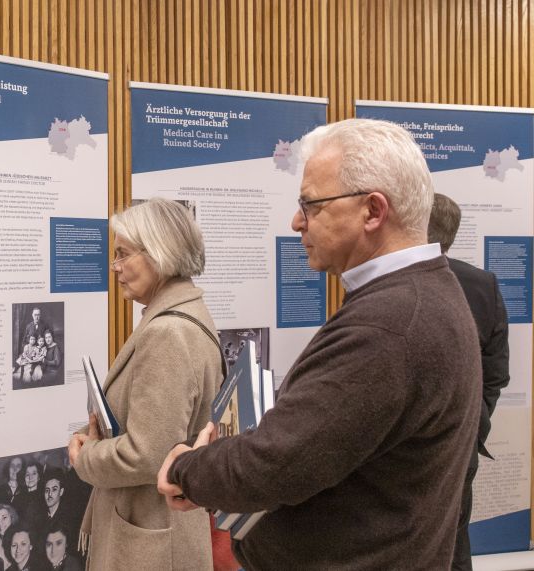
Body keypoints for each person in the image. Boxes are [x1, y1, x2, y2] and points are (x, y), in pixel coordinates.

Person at [157, 118, 482, 570]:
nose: (296, 222)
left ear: (372, 211)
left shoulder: (390, 323)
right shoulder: (423, 292)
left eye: (310, 205)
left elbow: (276, 465)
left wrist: (186, 469)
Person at [67, 198, 221, 570]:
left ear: (159, 253)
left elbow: (147, 455)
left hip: (154, 538)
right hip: (160, 528)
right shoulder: (180, 314)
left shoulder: (168, 331)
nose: (115, 267)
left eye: (123, 254)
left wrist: (86, 456)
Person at [428, 192, 511, 570]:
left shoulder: (390, 283)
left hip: (411, 449)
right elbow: (496, 374)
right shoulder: (484, 284)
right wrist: (473, 422)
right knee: (455, 542)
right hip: (461, 443)